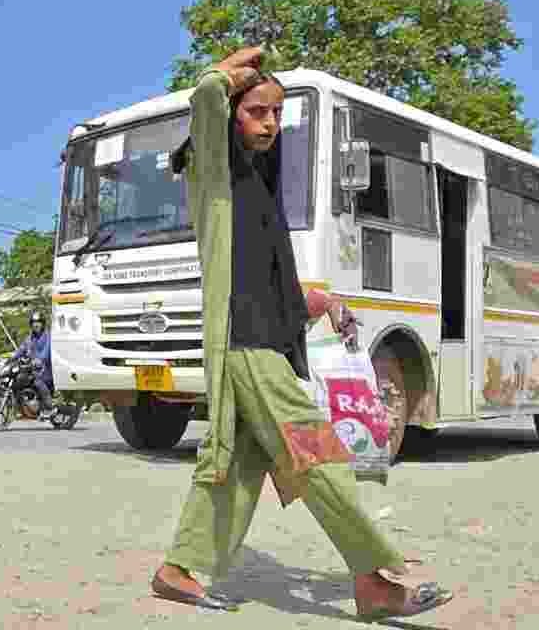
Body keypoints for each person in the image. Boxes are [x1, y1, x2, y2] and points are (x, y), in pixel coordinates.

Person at [149, 47, 452, 621]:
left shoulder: (260, 189)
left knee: (236, 469)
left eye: (276, 114)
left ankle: (177, 569)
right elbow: (205, 100)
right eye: (257, 111)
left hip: (265, 342)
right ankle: (374, 579)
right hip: (246, 347)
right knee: (320, 456)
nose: (269, 124)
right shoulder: (217, 173)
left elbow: (265, 281)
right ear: (232, 114)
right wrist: (224, 72)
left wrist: (319, 302)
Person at [13, 311, 55, 418]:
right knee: (18, 379)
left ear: (43, 323)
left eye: (38, 322)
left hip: (46, 370)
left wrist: (39, 359)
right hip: (33, 368)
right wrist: (11, 358)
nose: (36, 325)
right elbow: (21, 349)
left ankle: (49, 407)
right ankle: (20, 407)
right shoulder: (29, 338)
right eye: (33, 322)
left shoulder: (48, 337)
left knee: (37, 381)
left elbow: (46, 352)